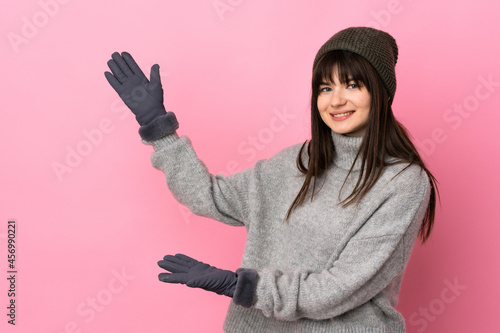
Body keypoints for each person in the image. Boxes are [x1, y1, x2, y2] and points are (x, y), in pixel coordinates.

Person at [105, 26, 439, 333]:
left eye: (352, 85)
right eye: (325, 87)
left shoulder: (403, 184)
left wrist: (238, 286)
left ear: (380, 94)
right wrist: (159, 128)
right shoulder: (301, 161)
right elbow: (211, 196)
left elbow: (336, 290)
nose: (336, 100)